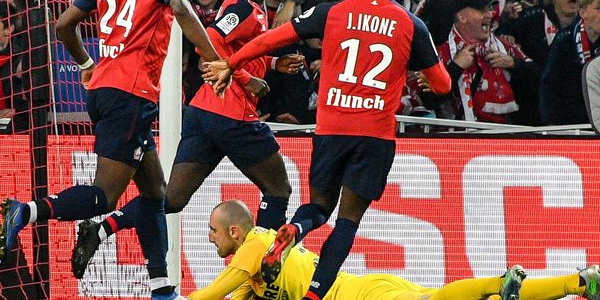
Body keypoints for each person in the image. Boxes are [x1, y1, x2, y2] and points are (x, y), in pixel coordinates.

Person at [203, 0, 452, 300]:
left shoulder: (330, 12)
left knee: (318, 206)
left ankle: (293, 230)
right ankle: (315, 295)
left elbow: (273, 38)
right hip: (375, 136)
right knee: (348, 221)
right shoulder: (412, 24)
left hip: (332, 128)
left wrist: (232, 62)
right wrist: (429, 79)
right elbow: (442, 84)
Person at [0, 0, 221, 300]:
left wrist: (85, 64)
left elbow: (64, 24)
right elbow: (184, 11)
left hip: (104, 88)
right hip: (131, 95)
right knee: (104, 195)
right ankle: (25, 211)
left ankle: (161, 288)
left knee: (155, 192)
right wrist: (213, 59)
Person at [69, 0, 305, 281]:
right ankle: (262, 264)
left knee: (172, 198)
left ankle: (103, 228)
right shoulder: (242, 8)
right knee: (279, 189)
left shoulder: (251, 8)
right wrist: (246, 79)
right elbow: (210, 39)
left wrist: (272, 62)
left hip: (202, 114)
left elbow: (233, 48)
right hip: (233, 114)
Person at [187, 199, 600, 300]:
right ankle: (581, 283)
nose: (209, 238)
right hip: (362, 286)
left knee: (438, 298)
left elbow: (211, 293)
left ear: (236, 232)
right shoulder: (254, 268)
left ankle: (504, 283)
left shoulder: (256, 243)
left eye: (212, 231)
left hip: (353, 295)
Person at [432, 0, 539, 124]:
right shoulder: (441, 53)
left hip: (503, 135)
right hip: (456, 137)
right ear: (462, 17)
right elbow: (429, 98)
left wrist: (514, 63)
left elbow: (539, 78)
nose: (489, 14)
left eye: (489, 9)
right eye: (481, 10)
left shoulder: (504, 47)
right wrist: (456, 67)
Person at [539, 0, 600, 125]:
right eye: (598, 8)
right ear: (583, 12)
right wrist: (550, 125)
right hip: (568, 124)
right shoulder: (564, 40)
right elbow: (549, 85)